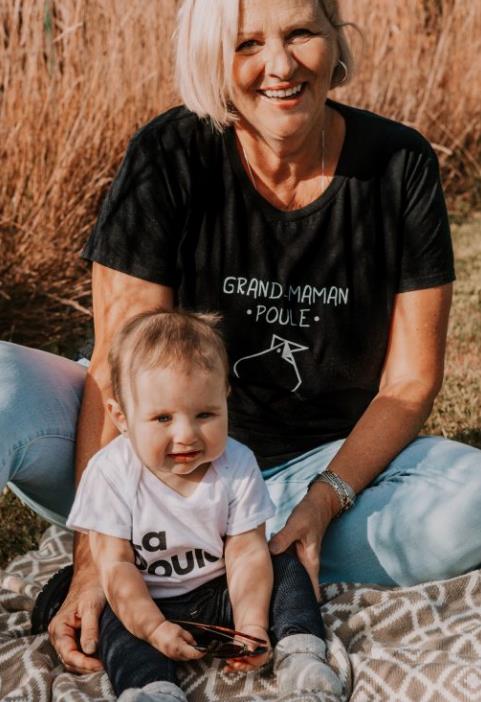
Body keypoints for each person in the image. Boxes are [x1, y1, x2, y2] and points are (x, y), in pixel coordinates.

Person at [0, 0, 480, 678]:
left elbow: (408, 383)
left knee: (473, 502)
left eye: (299, 34)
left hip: (303, 479)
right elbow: (114, 363)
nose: (279, 66)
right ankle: (180, 560)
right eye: (245, 43)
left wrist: (323, 501)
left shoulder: (399, 164)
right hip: (142, 464)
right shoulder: (167, 153)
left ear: (333, 38)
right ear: (209, 58)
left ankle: (226, 560)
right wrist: (94, 558)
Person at [63, 308, 342, 701]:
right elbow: (117, 565)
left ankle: (302, 655)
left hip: (219, 590)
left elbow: (245, 552)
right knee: (115, 615)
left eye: (205, 414)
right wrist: (154, 628)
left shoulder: (237, 464)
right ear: (121, 417)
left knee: (283, 562)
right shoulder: (110, 473)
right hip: (148, 598)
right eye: (162, 418)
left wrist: (251, 624)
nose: (186, 435)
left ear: (225, 399)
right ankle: (153, 689)